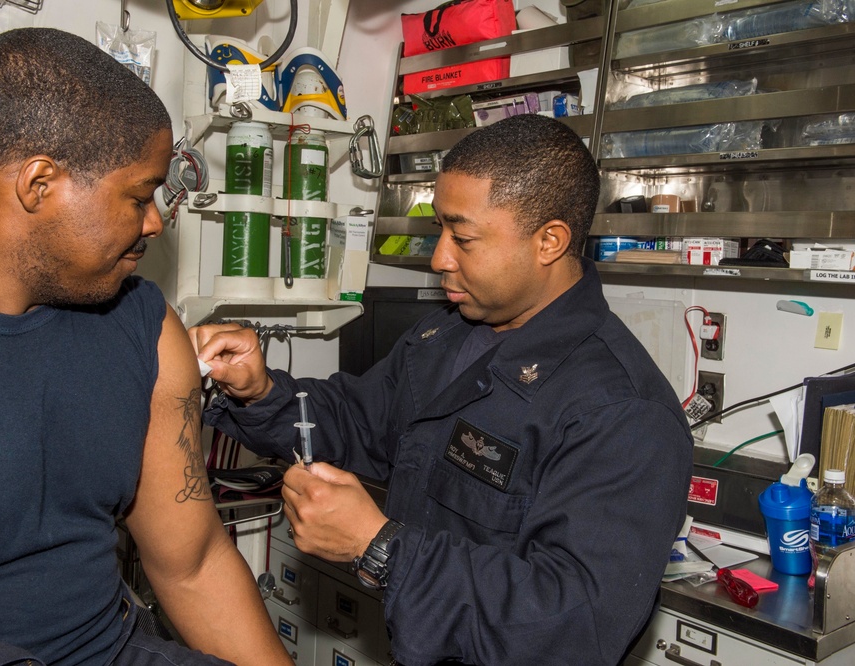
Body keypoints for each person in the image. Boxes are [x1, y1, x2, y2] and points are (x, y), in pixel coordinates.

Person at [190, 114, 695, 665]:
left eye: (464, 238)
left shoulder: (622, 412)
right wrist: (260, 392)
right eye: (439, 232)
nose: (439, 259)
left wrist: (381, 549)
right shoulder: (444, 337)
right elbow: (360, 419)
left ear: (549, 241)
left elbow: (575, 622)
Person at [0, 28, 291, 666]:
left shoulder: (140, 323)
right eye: (139, 196)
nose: (155, 221)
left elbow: (192, 564)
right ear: (39, 184)